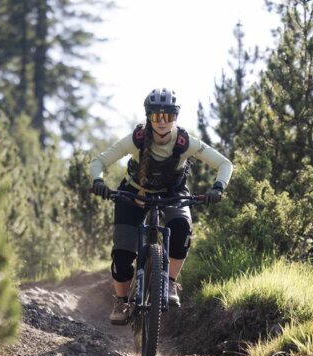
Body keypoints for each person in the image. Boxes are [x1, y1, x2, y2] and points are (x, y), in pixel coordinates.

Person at [89, 88, 234, 325]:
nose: (163, 122)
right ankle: (121, 300)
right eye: (157, 116)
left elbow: (224, 164)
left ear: (176, 116)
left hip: (173, 194)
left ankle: (170, 282)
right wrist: (98, 182)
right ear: (149, 116)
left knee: (182, 232)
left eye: (169, 116)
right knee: (123, 254)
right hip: (134, 193)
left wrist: (218, 188)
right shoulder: (135, 139)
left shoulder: (185, 142)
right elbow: (99, 162)